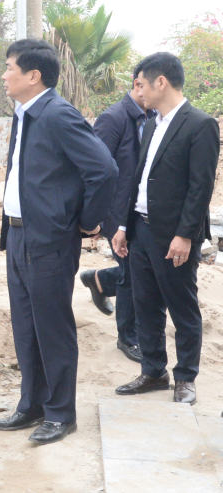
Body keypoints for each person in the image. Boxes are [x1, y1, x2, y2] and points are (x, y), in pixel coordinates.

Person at [0, 39, 117, 445]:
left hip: (49, 239)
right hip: (19, 236)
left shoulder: (58, 114)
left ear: (33, 75)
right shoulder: (24, 114)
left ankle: (61, 413)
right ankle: (32, 405)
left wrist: (84, 222)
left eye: (10, 67)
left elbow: (104, 170)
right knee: (26, 325)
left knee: (53, 327)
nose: (4, 74)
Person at [112, 53, 219, 406]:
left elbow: (199, 187)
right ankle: (153, 371)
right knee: (145, 305)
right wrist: (124, 225)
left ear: (161, 82)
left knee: (182, 308)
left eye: (140, 83)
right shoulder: (149, 124)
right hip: (140, 231)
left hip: (174, 235)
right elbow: (138, 179)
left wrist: (186, 234)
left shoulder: (199, 124)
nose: (137, 91)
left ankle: (185, 378)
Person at [80, 71, 156, 363]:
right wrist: (95, 217)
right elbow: (95, 169)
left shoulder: (153, 117)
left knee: (138, 270)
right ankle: (128, 337)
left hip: (142, 209)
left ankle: (97, 279)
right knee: (132, 276)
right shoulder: (113, 118)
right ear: (138, 85)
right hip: (116, 212)